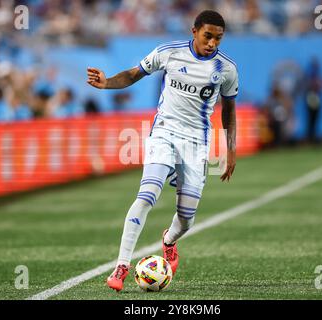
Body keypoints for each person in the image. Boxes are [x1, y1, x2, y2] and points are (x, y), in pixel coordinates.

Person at [87, 10, 238, 292]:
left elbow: (229, 110)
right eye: (208, 36)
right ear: (194, 31)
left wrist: (231, 149)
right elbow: (134, 74)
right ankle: (121, 265)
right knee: (147, 195)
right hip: (164, 134)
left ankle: (168, 241)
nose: (213, 43)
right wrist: (107, 83)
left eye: (218, 38)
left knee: (187, 220)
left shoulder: (226, 69)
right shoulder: (168, 53)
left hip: (196, 144)